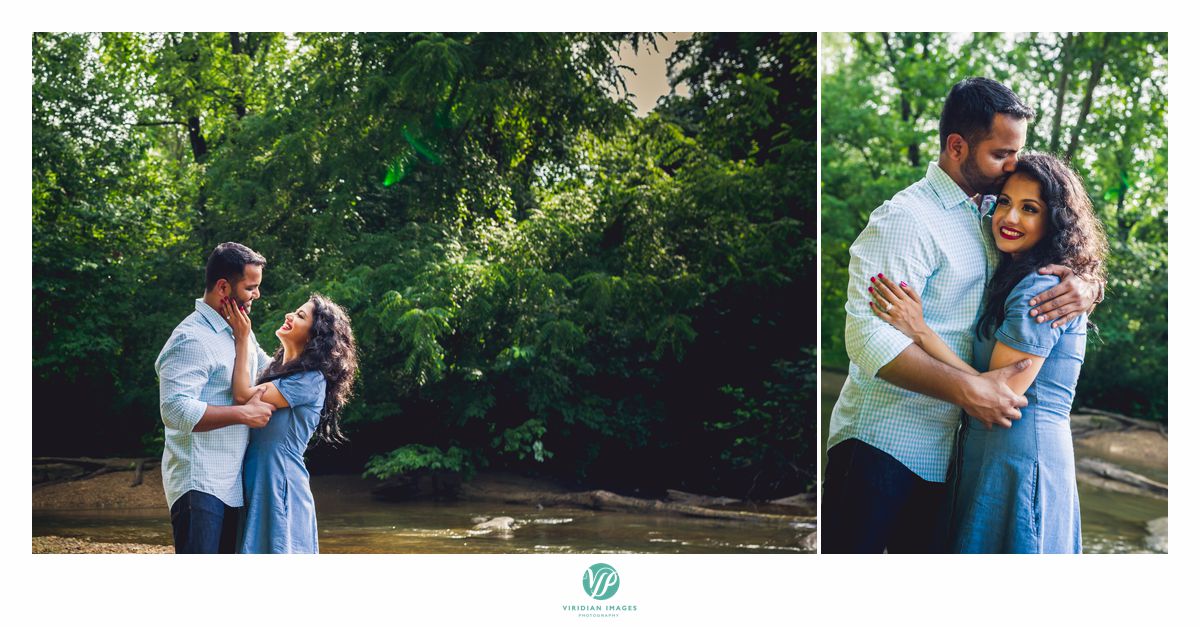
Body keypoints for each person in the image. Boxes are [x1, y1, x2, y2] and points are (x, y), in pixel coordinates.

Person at [822, 78, 1103, 553]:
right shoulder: (907, 219)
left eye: (1017, 153)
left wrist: (1087, 285)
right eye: (1001, 154)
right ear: (957, 146)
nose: (1012, 166)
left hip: (950, 458)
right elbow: (868, 338)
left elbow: (1053, 242)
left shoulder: (990, 215)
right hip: (882, 448)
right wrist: (973, 390)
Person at [869, 154, 1107, 553]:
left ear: (1054, 221)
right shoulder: (1015, 271)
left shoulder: (1040, 290)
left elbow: (995, 395)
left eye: (1029, 209)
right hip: (993, 451)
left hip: (1019, 454)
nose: (1010, 217)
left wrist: (919, 330)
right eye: (1004, 202)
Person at [155, 242, 276, 554]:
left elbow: (269, 371)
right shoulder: (191, 337)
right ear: (224, 287)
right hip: (199, 484)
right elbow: (175, 409)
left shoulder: (239, 331)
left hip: (232, 483)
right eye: (251, 287)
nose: (257, 295)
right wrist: (243, 414)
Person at [221, 292, 357, 553]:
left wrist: (241, 338)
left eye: (300, 315)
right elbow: (252, 362)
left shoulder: (311, 380)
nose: (289, 315)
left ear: (314, 335)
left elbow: (241, 396)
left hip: (279, 482)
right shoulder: (275, 369)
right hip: (258, 476)